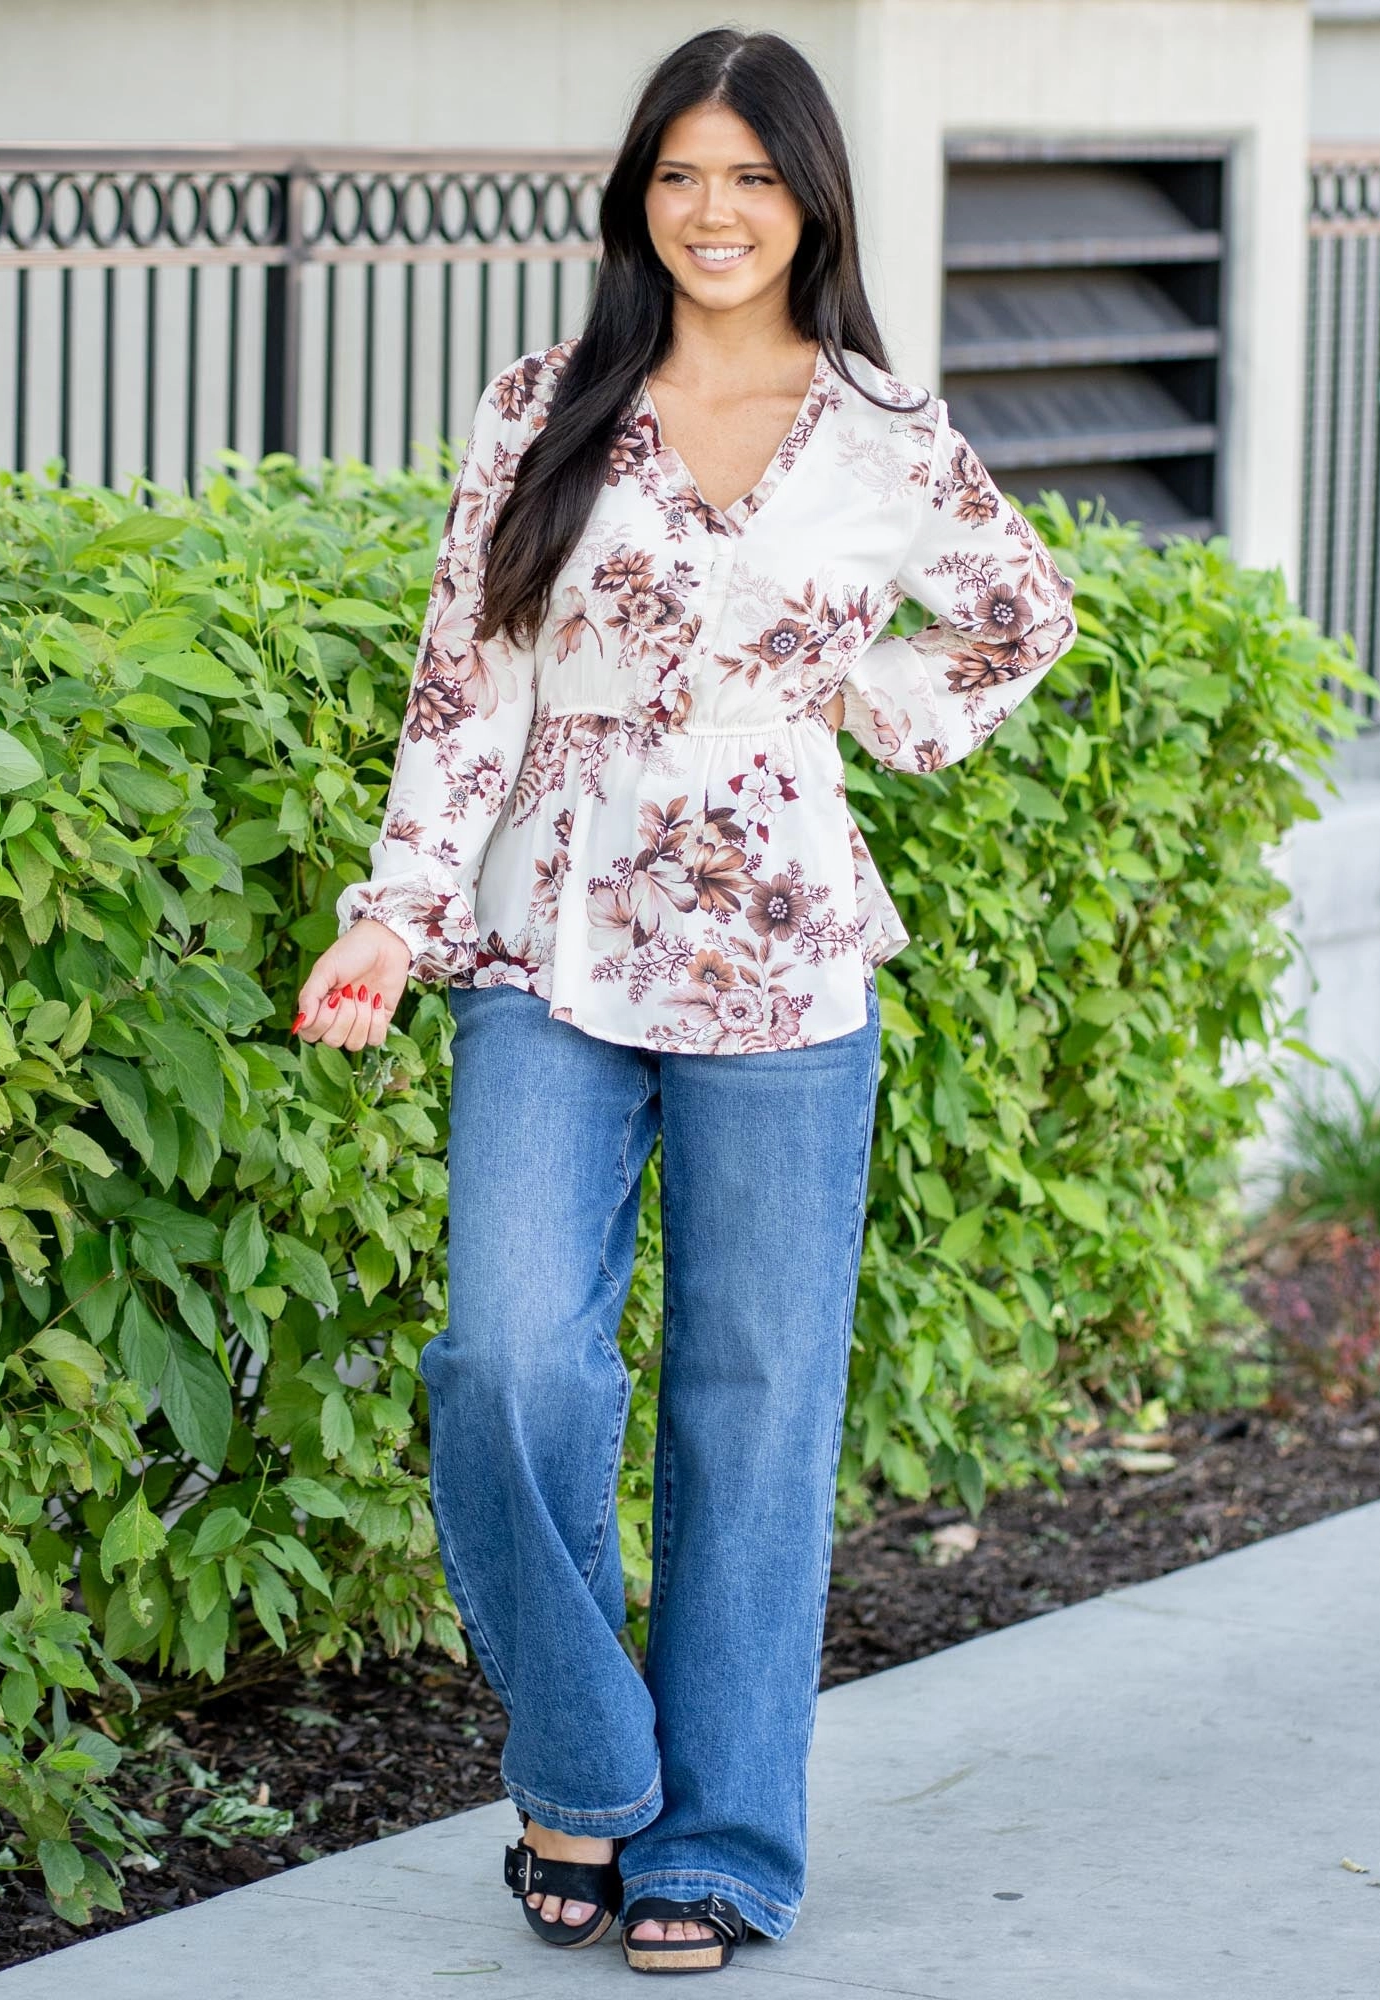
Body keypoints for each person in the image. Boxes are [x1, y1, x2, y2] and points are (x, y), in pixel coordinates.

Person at [291, 24, 1076, 1976]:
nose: (713, 210)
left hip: (789, 948)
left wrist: (877, 707)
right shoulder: (544, 403)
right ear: (639, 199)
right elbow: (463, 681)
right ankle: (582, 1758)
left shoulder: (886, 429)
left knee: (754, 1404)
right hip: (546, 935)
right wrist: (393, 915)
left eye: (748, 173)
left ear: (807, 193)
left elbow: (1020, 613)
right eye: (678, 175)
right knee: (504, 1361)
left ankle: (716, 1843)